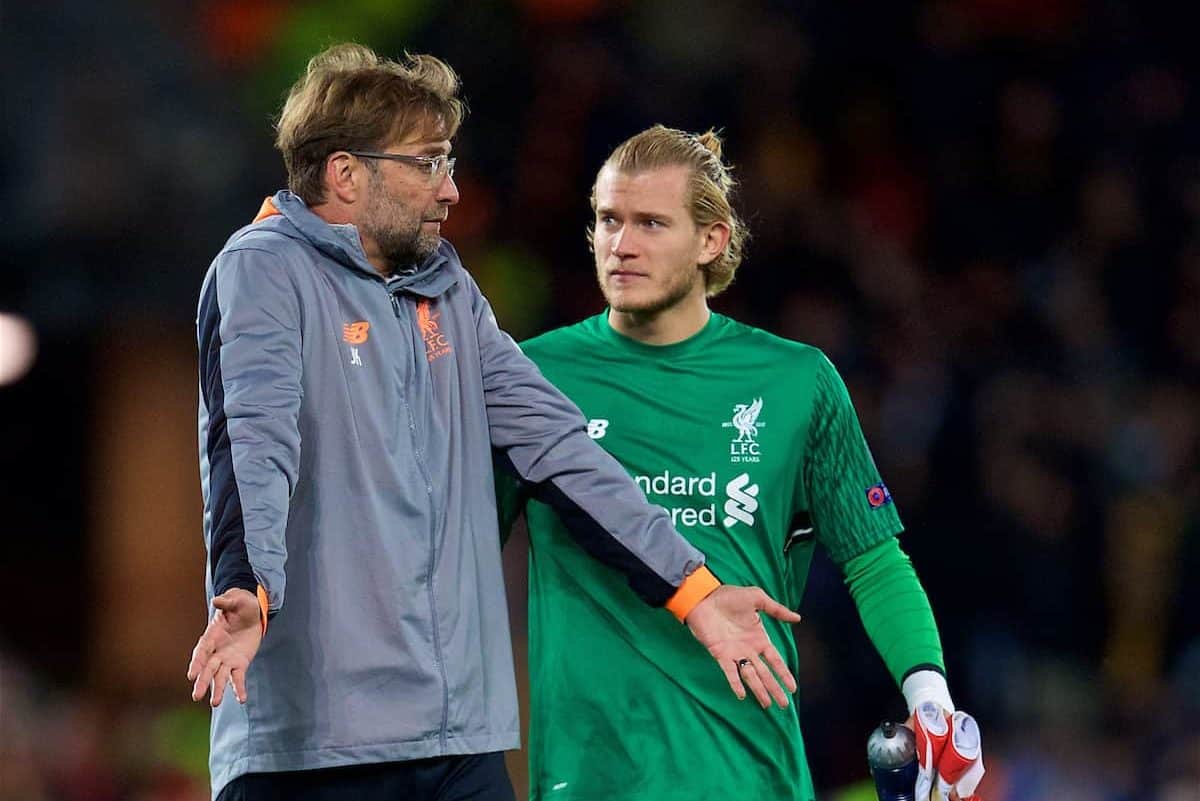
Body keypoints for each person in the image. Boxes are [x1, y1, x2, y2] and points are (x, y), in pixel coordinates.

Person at [185, 47, 802, 801]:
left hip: (458, 741)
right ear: (346, 175)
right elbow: (254, 438)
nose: (450, 189)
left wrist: (694, 590)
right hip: (315, 747)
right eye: (428, 163)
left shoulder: (450, 293)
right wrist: (245, 588)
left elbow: (562, 451)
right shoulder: (263, 270)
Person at [497, 125, 986, 801]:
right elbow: (454, 554)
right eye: (608, 219)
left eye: (650, 223)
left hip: (749, 770)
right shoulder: (530, 376)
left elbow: (873, 560)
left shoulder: (796, 381)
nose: (621, 244)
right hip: (589, 774)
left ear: (711, 240)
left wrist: (930, 695)